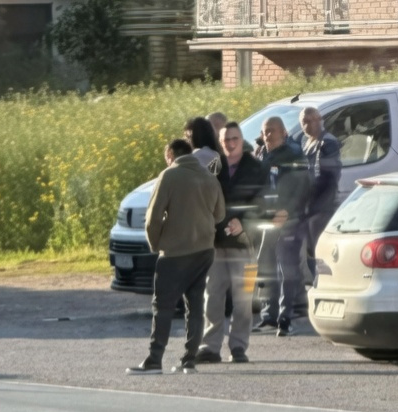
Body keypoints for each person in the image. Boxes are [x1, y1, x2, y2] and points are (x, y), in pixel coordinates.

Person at [128, 139, 225, 375]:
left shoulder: (169, 176)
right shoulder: (209, 177)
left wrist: (156, 243)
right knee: (195, 304)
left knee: (162, 306)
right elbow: (220, 214)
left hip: (175, 252)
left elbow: (153, 217)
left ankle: (154, 359)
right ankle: (189, 359)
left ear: (170, 155)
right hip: (204, 250)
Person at [196, 122, 266, 364]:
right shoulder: (214, 166)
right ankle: (210, 347)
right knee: (212, 297)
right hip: (216, 243)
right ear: (220, 141)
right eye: (226, 139)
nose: (231, 143)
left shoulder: (256, 168)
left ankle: (238, 347)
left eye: (234, 138)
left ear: (241, 139)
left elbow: (263, 203)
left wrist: (243, 223)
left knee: (244, 299)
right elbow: (204, 198)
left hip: (245, 245)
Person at [252, 116, 310, 335]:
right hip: (267, 220)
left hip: (289, 219)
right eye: (265, 131)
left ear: (283, 133)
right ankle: (269, 316)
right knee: (265, 265)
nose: (268, 135)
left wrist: (287, 210)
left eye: (273, 131)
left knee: (287, 268)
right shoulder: (262, 155)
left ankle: (286, 318)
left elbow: (302, 187)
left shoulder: (293, 155)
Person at [291, 106, 341, 331]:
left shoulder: (327, 143)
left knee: (320, 254)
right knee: (311, 253)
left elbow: (326, 177)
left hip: (321, 207)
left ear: (320, 119)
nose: (308, 124)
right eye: (304, 121)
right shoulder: (306, 141)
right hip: (309, 207)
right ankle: (317, 292)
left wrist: (308, 198)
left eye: (312, 119)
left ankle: (327, 293)